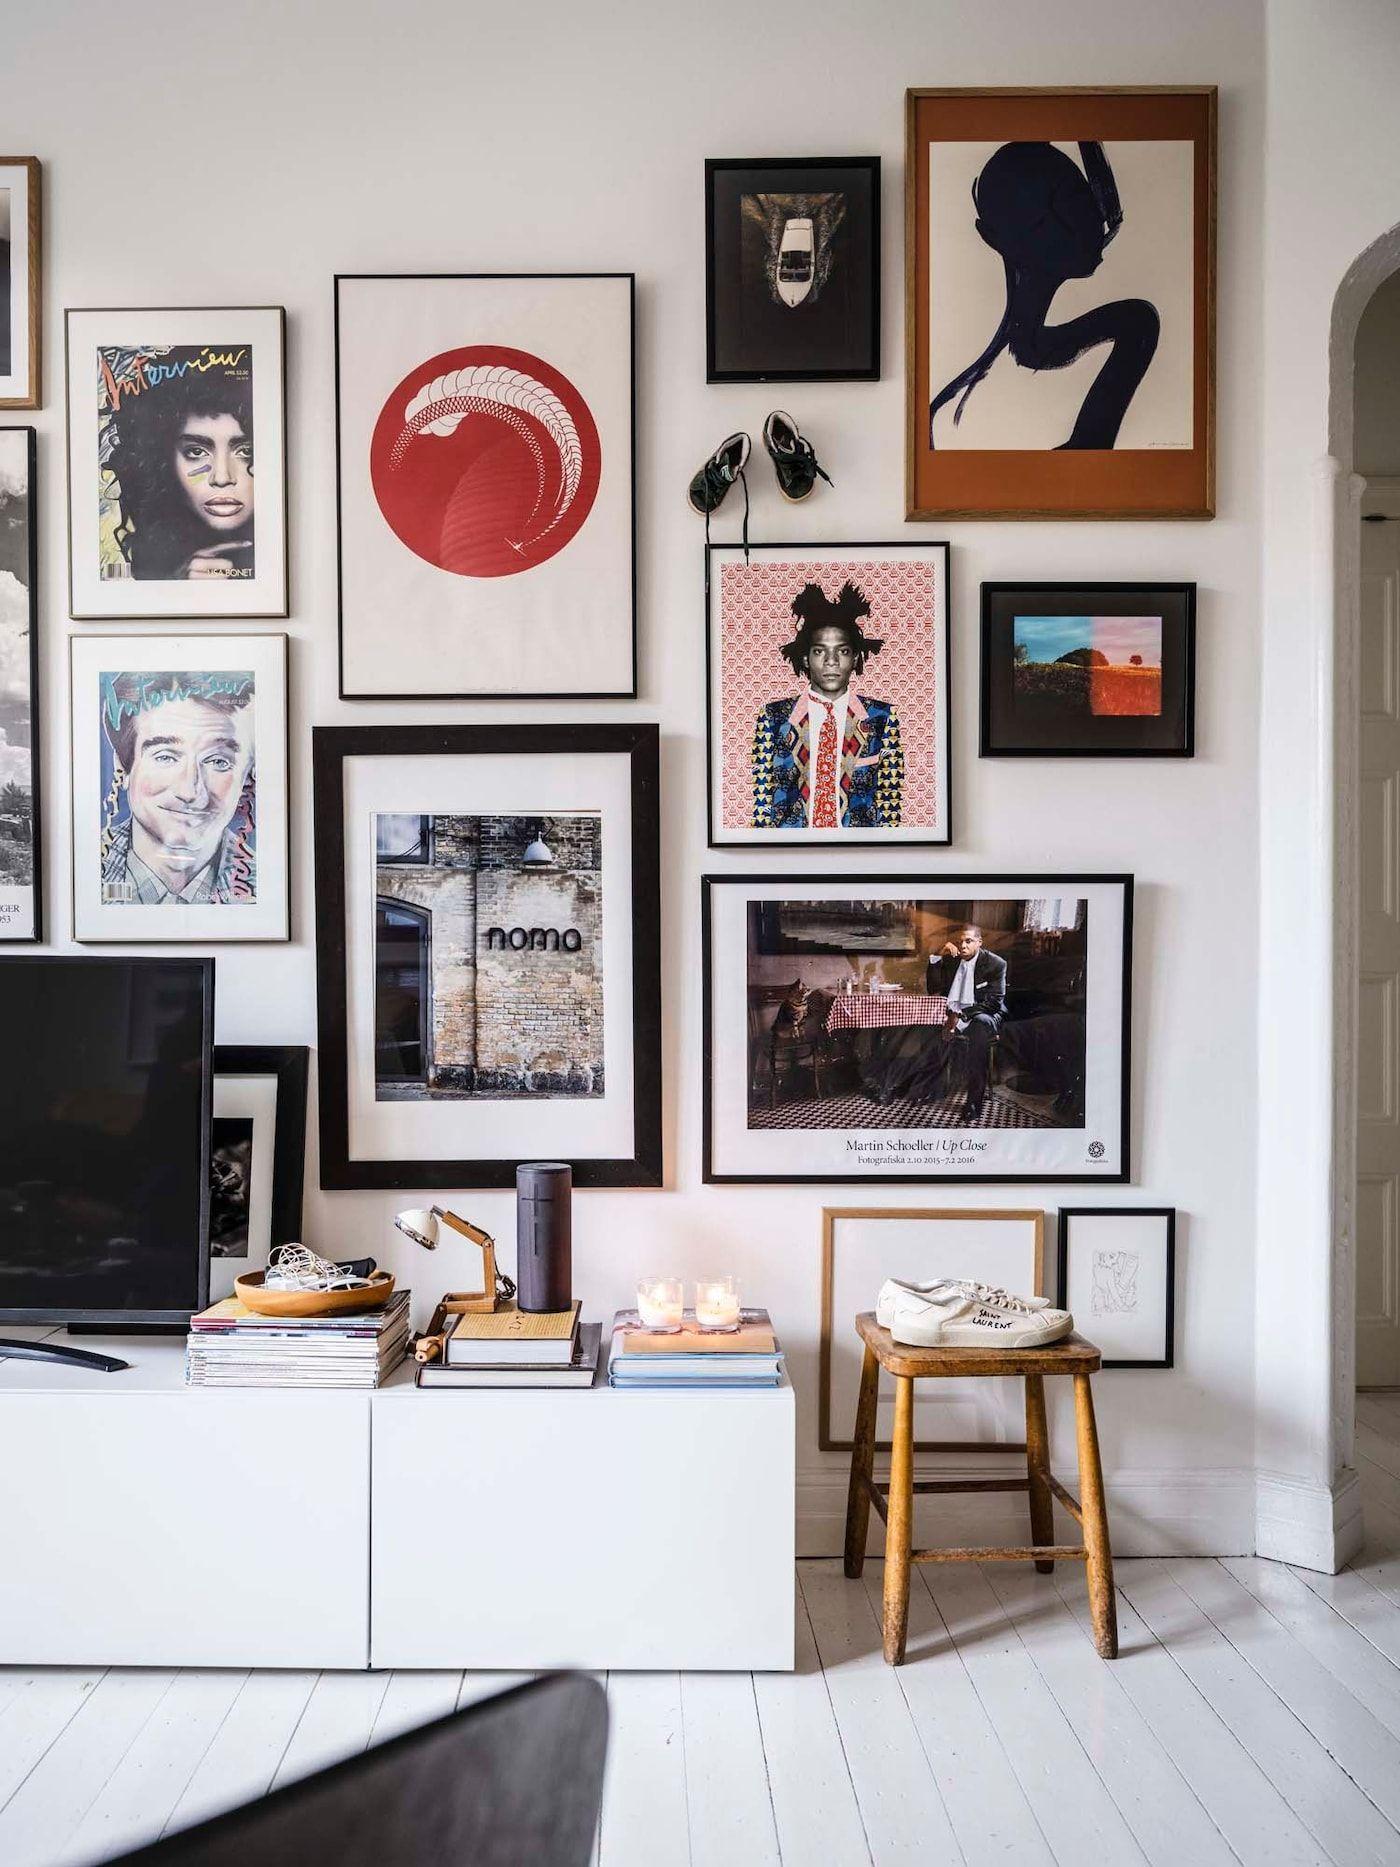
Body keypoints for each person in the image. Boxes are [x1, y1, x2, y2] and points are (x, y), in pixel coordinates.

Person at [929, 140, 1160, 451]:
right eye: (1047, 216)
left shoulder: (1134, 326)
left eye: (1080, 200)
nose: (1083, 222)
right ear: (993, 237)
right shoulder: (1133, 327)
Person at [750, 580, 903, 829]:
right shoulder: (774, 718)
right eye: (820, 652)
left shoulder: (881, 718)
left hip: (862, 853)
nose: (831, 662)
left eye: (842, 651)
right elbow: (762, 802)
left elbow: (891, 802)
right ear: (806, 658)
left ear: (855, 658)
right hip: (790, 852)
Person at [100, 670, 256, 905]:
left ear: (247, 774)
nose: (190, 792)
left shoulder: (270, 887)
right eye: (165, 757)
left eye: (218, 761)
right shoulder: (78, 877)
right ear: (123, 765)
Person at [104, 363, 255, 580]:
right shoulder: (144, 565)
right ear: (165, 462)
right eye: (196, 451)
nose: (222, 478)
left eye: (246, 451)